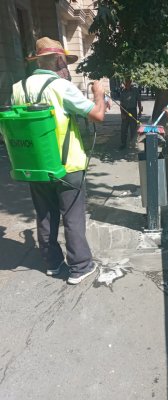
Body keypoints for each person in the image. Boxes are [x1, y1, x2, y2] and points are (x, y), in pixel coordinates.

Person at [11, 37, 107, 285]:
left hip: (37, 165)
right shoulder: (60, 86)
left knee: (45, 215)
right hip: (67, 166)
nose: (67, 68)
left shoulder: (17, 88)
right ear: (58, 60)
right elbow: (97, 115)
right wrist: (99, 95)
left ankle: (53, 264)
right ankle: (80, 267)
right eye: (65, 62)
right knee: (73, 218)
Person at [119, 77, 142, 149]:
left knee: (133, 129)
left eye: (129, 82)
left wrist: (140, 111)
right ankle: (123, 144)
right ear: (125, 83)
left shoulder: (135, 90)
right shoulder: (122, 91)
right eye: (126, 82)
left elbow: (139, 101)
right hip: (125, 111)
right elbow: (121, 104)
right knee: (124, 129)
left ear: (131, 82)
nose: (127, 83)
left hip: (133, 111)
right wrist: (122, 113)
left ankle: (133, 143)